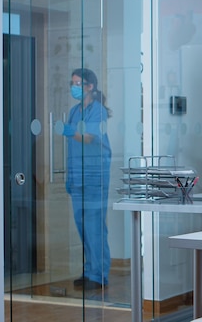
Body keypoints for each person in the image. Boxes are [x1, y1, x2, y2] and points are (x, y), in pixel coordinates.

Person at [62, 68, 112, 290]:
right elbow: (72, 148)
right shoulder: (74, 111)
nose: (73, 87)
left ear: (90, 86)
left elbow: (89, 137)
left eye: (78, 83)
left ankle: (99, 274)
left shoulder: (97, 110)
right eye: (71, 83)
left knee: (94, 228)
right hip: (78, 177)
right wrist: (69, 176)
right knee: (83, 227)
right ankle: (89, 270)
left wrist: (66, 130)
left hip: (94, 177)